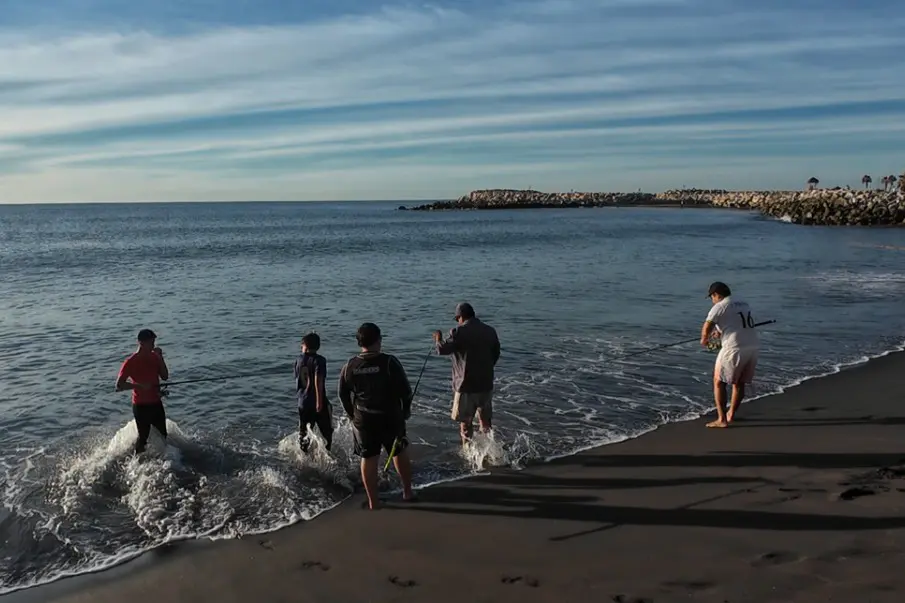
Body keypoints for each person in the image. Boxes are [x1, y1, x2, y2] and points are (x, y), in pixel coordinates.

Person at [337, 322, 415, 510]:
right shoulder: (389, 362)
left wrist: (351, 414)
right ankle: (407, 492)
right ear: (379, 340)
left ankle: (373, 501)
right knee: (398, 451)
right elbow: (405, 391)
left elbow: (342, 394)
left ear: (359, 342)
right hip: (390, 417)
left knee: (369, 457)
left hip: (363, 420)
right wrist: (406, 411)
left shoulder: (349, 365)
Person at [432, 302, 501, 446]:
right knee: (485, 422)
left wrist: (438, 339)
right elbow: (496, 354)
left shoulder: (458, 332)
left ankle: (468, 451)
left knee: (465, 423)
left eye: (457, 319)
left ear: (460, 317)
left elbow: (442, 350)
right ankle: (489, 450)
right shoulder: (490, 331)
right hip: (485, 384)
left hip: (466, 386)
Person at [700, 282, 759, 428]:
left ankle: (721, 419)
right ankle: (731, 414)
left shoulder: (719, 306)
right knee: (739, 382)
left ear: (716, 295)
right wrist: (720, 331)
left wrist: (704, 339)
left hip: (733, 348)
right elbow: (738, 322)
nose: (712, 300)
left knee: (718, 382)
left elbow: (707, 325)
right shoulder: (743, 303)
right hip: (752, 345)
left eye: (712, 297)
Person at [115, 329, 170, 454]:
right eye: (151, 342)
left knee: (163, 435)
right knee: (143, 438)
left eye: (154, 342)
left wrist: (160, 357)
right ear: (141, 343)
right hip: (140, 405)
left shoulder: (155, 357)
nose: (153, 345)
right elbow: (119, 385)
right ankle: (136, 462)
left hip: (156, 402)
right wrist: (139, 386)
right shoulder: (130, 362)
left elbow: (165, 376)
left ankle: (161, 459)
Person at [294, 332, 333, 453]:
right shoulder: (319, 360)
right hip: (316, 400)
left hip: (303, 402)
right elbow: (318, 381)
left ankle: (303, 455)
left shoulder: (299, 360)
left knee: (304, 432)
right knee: (327, 432)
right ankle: (327, 452)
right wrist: (319, 401)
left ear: (304, 345)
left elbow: (297, 380)